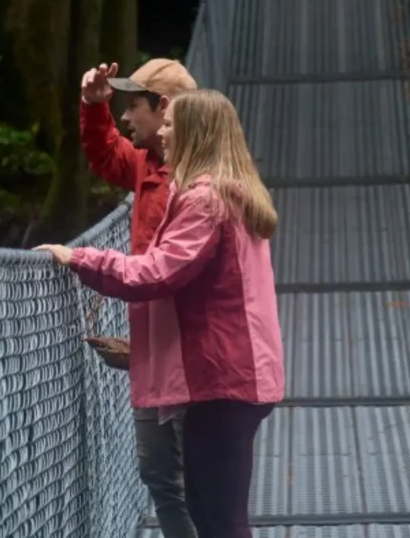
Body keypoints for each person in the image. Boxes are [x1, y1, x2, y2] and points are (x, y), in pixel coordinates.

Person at [36, 88, 285, 538]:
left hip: (224, 377)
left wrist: (82, 260)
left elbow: (157, 272)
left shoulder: (205, 200)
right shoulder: (230, 190)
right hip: (235, 372)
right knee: (209, 508)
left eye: (171, 124)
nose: (162, 132)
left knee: (218, 516)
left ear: (194, 133)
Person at [78, 57, 198, 538]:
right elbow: (107, 155)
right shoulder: (148, 164)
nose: (126, 118)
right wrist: (93, 106)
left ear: (164, 107)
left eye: (134, 107)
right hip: (150, 348)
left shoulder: (203, 183)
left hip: (193, 357)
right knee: (158, 476)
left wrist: (84, 261)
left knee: (204, 484)